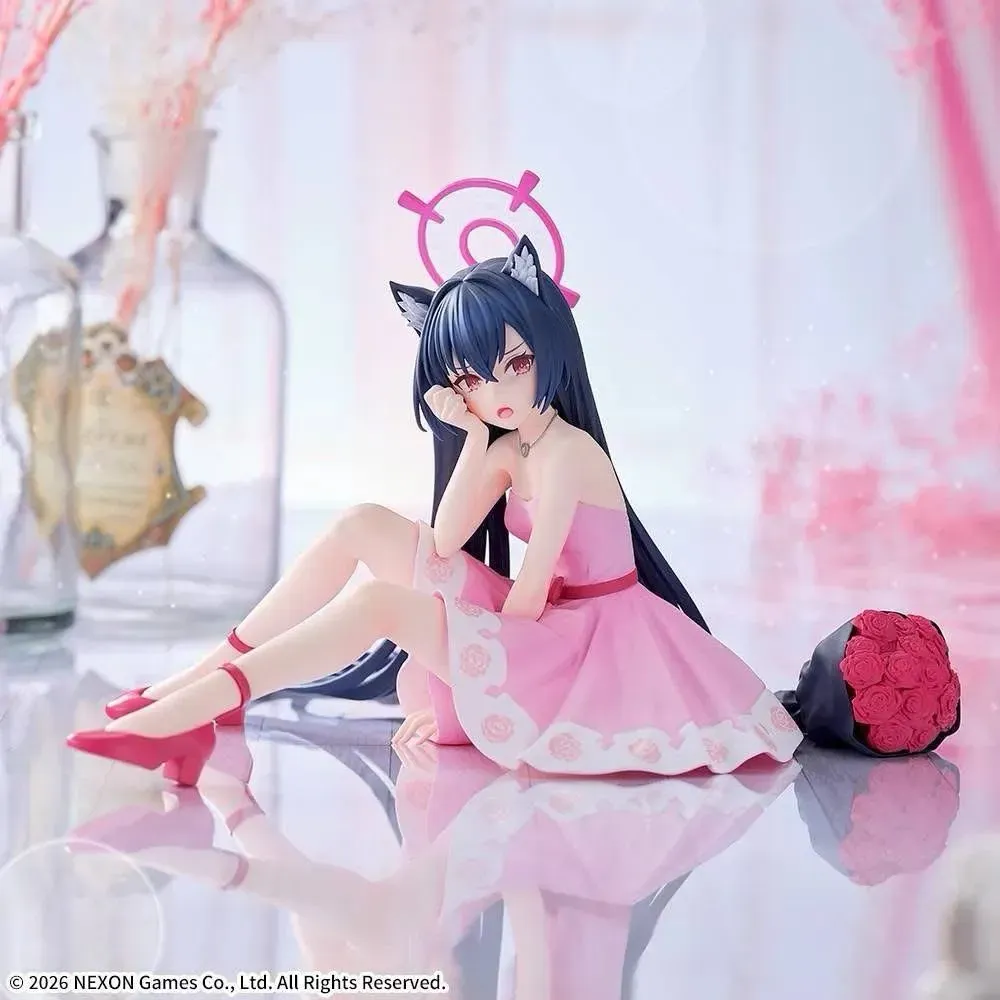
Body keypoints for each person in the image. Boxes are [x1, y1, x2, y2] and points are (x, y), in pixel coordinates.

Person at [66, 235, 802, 784]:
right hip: (542, 616)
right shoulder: (511, 445)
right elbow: (445, 542)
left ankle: (194, 710)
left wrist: (464, 671)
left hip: (579, 637)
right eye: (471, 381)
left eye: (515, 364)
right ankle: (207, 680)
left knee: (382, 606)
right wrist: (473, 438)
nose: (496, 393)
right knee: (361, 523)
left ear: (551, 348)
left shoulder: (571, 454)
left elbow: (528, 597)